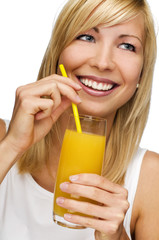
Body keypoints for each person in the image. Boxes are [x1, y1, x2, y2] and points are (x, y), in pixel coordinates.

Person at [0, 0, 159, 239]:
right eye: (87, 37)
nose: (102, 62)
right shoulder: (3, 140)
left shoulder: (151, 178)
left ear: (142, 73)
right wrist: (11, 146)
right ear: (58, 52)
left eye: (127, 45)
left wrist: (118, 237)